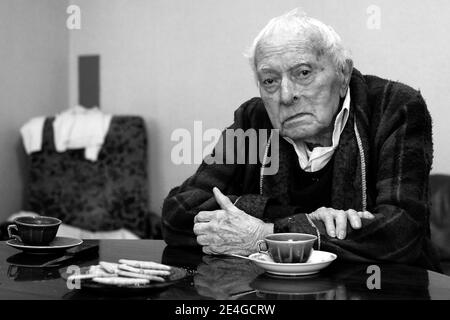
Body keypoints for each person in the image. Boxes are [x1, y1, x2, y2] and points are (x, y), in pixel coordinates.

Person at [162, 8, 441, 271]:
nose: (285, 95)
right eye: (270, 81)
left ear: (343, 73)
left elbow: (400, 233)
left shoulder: (394, 108)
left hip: (384, 289)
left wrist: (266, 234)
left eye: (303, 73)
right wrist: (304, 223)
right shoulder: (254, 120)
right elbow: (178, 213)